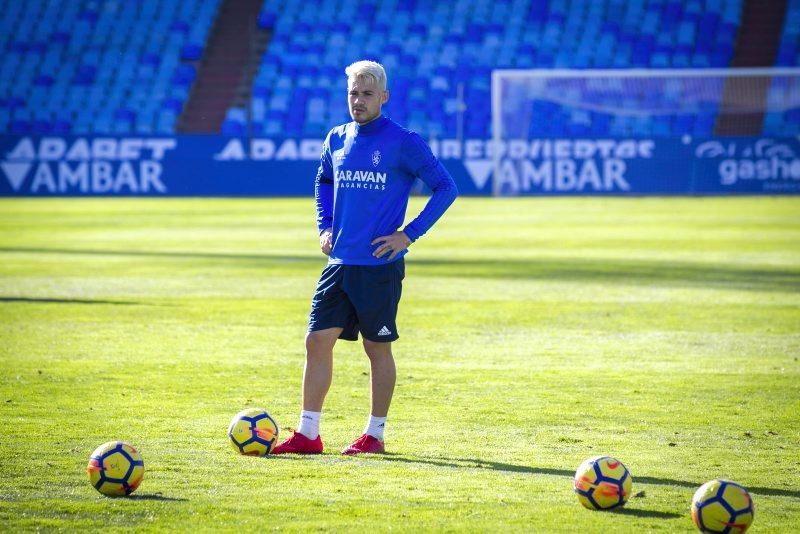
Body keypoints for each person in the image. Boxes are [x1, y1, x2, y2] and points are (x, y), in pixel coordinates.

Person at [271, 60, 458, 455]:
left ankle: (374, 435)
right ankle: (308, 434)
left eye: (367, 94)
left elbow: (446, 187)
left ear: (384, 97)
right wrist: (324, 225)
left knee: (377, 349)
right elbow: (323, 181)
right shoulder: (336, 138)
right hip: (338, 263)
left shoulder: (404, 141)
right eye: (353, 93)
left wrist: (408, 235)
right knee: (316, 341)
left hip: (378, 267)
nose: (358, 101)